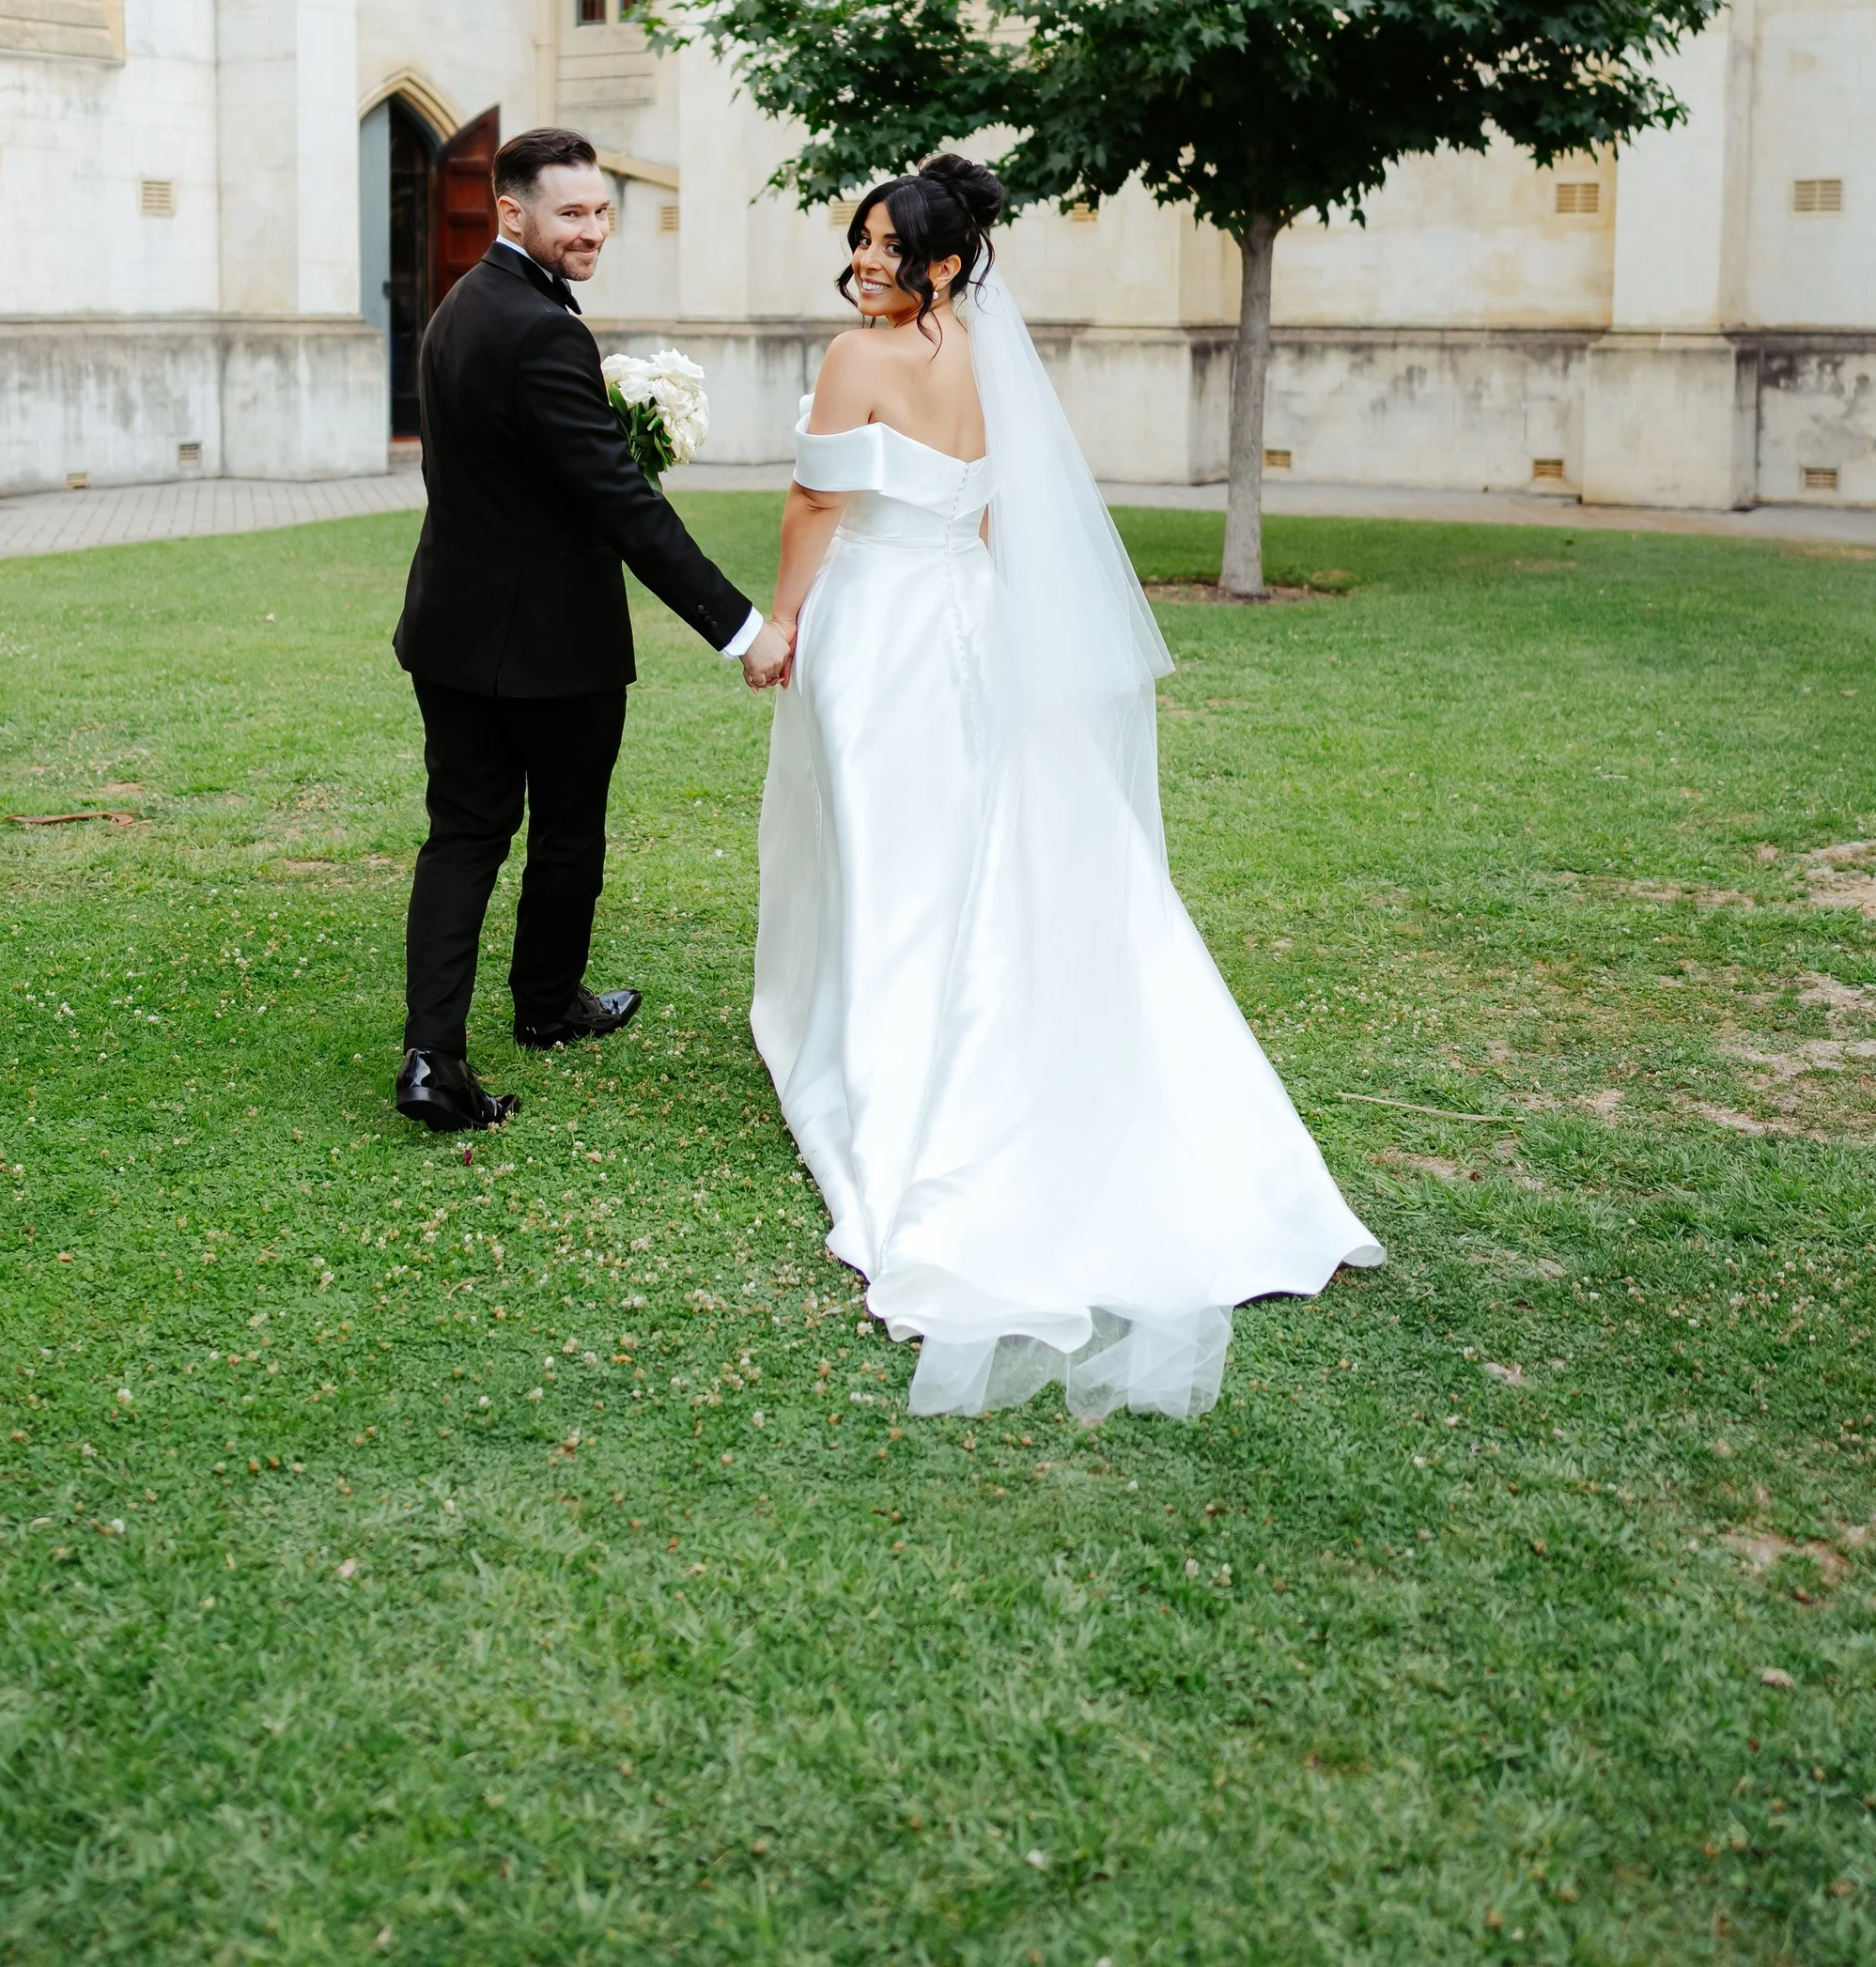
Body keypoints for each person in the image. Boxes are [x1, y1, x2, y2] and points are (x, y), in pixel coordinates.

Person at [746, 152, 1382, 1419]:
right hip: (972, 612)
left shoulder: (857, 354)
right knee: (993, 838)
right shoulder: (989, 349)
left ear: (943, 262)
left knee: (892, 847)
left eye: (889, 248)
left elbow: (817, 497)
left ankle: (895, 1062)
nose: (865, 262)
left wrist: (783, 619)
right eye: (859, 241)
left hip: (881, 624)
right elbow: (994, 513)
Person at [394, 126, 767, 1134]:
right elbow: (619, 502)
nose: (592, 229)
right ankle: (546, 1004)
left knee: (463, 838)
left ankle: (432, 1057)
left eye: (601, 211)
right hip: (551, 643)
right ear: (511, 210)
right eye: (571, 213)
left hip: (450, 629)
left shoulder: (459, 309)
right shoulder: (544, 328)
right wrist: (737, 626)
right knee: (565, 833)